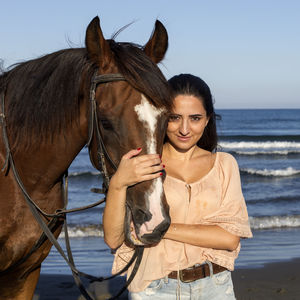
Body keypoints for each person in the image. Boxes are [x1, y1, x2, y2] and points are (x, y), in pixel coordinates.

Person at [103, 74, 252, 299]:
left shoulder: (224, 164)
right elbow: (114, 239)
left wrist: (158, 229)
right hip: (154, 289)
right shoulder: (142, 166)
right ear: (162, 116)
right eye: (174, 117)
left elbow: (229, 238)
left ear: (207, 119)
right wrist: (118, 183)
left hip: (215, 287)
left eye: (195, 118)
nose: (184, 129)